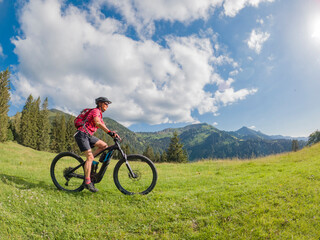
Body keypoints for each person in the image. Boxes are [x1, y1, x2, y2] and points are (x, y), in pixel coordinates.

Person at [74, 97, 120, 192]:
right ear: (100, 103)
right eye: (106, 103)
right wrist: (109, 133)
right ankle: (87, 182)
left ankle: (89, 161)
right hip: (82, 134)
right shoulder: (96, 111)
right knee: (90, 158)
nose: (107, 106)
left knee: (104, 146)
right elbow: (97, 123)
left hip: (88, 135)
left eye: (108, 104)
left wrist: (113, 133)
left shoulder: (100, 115)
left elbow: (104, 126)